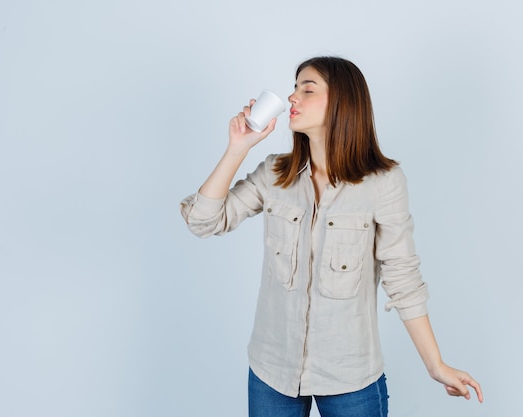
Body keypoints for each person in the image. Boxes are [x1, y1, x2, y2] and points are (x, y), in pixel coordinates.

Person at [180, 56, 483, 417]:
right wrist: (237, 148)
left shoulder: (384, 183)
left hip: (350, 378)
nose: (292, 98)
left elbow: (403, 278)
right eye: (294, 88)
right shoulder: (275, 173)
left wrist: (436, 364)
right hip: (271, 372)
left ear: (343, 103)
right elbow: (203, 222)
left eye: (307, 89)